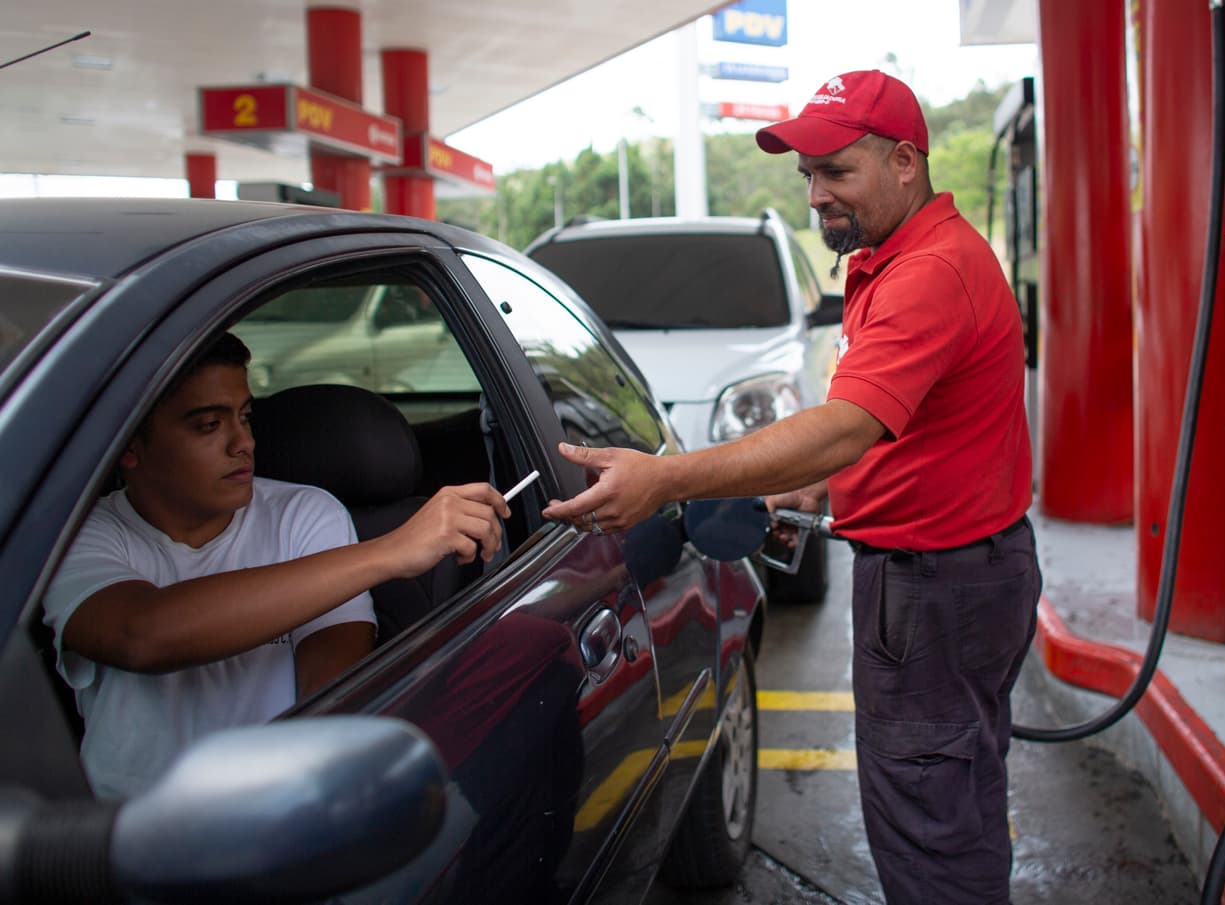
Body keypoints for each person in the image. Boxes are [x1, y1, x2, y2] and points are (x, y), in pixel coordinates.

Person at [542, 69, 1041, 905]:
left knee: (927, 829)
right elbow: (908, 429)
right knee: (954, 796)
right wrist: (815, 489)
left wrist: (667, 478)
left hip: (935, 589)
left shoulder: (928, 274)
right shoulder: (904, 256)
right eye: (807, 175)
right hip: (960, 574)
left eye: (837, 172)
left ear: (906, 162)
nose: (816, 195)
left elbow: (847, 422)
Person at [43, 332, 510, 799]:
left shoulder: (305, 514)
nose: (242, 442)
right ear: (129, 445)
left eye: (245, 417)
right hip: (124, 833)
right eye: (208, 425)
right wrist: (391, 551)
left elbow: (333, 692)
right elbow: (139, 634)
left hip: (282, 808)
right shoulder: (79, 535)